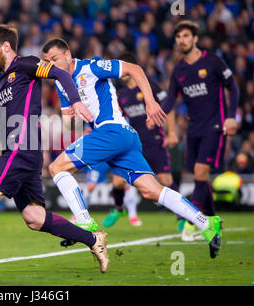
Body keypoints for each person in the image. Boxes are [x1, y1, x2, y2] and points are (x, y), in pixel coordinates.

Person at [0, 24, 110, 273]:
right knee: (34, 218)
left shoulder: (27, 64)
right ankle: (94, 240)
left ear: (5, 46)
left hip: (22, 147)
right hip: (21, 152)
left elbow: (62, 75)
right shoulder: (2, 85)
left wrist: (75, 102)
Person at [41, 38, 222, 259]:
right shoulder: (60, 82)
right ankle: (206, 222)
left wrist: (150, 101)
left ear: (68, 55)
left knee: (56, 168)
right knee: (151, 190)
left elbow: (134, 69)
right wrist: (69, 118)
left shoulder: (91, 66)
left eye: (54, 59)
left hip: (112, 131)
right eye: (46, 61)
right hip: (124, 137)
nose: (50, 64)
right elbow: (69, 121)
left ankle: (84, 222)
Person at [162, 20, 240, 241]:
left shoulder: (213, 61)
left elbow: (232, 87)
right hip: (193, 129)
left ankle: (192, 223)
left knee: (199, 173)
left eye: (186, 36)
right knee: (200, 177)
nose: (182, 40)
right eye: (178, 37)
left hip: (214, 126)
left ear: (195, 38)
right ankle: (213, 220)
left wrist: (232, 117)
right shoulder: (179, 70)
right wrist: (156, 113)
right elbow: (170, 99)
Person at [101, 51, 181, 230]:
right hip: (133, 144)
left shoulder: (148, 85)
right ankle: (118, 208)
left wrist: (172, 132)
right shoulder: (122, 94)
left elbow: (169, 106)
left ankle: (182, 216)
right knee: (118, 181)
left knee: (165, 180)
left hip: (154, 141)